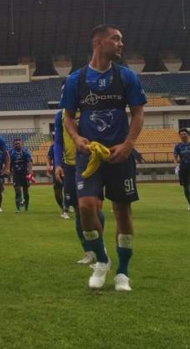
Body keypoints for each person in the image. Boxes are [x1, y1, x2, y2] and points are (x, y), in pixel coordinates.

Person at [61, 24, 147, 291]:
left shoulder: (126, 77)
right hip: (90, 157)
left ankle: (123, 272)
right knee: (86, 207)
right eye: (116, 39)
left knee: (122, 210)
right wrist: (77, 138)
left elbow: (138, 113)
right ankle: (101, 260)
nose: (121, 43)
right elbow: (67, 117)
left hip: (120, 154)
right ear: (98, 42)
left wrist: (128, 144)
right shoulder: (76, 79)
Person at [53, 109, 106, 265]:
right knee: (78, 210)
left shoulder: (87, 108)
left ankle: (100, 247)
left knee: (96, 207)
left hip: (90, 162)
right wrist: (57, 164)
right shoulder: (60, 115)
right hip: (69, 166)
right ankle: (88, 251)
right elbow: (58, 142)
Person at [9, 138, 33, 213]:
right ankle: (18, 209)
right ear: (14, 145)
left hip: (24, 174)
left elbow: (29, 162)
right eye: (16, 144)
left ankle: (26, 208)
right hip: (16, 174)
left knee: (26, 191)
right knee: (17, 191)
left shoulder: (25, 152)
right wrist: (9, 173)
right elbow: (10, 164)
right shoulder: (11, 153)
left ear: (21, 144)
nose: (17, 145)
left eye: (19, 144)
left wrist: (30, 172)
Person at [47, 141, 69, 218]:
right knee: (57, 191)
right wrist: (48, 166)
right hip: (57, 169)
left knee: (68, 189)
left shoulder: (70, 143)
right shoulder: (53, 146)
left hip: (69, 168)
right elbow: (49, 157)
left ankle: (67, 208)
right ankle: (63, 206)